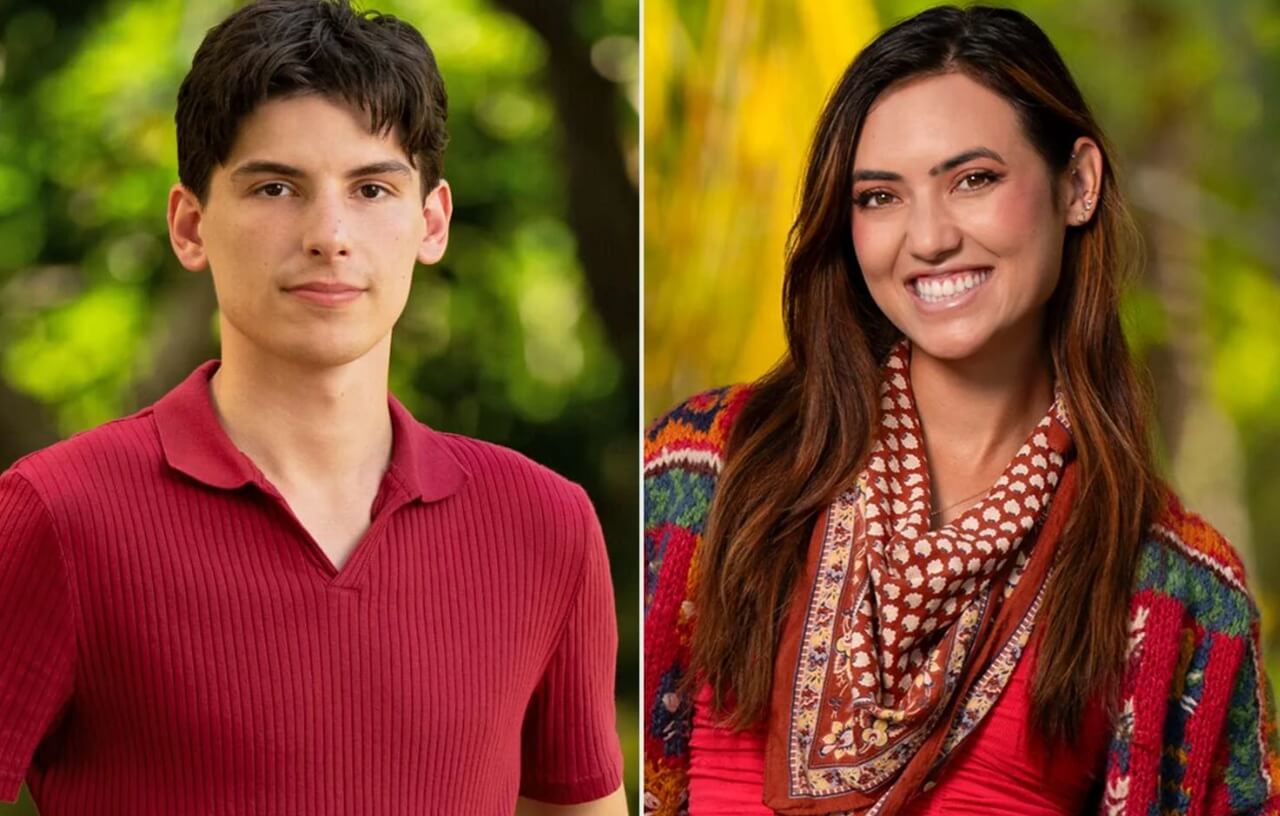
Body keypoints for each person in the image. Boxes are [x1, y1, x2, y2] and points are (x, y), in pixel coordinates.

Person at [644, 5, 1279, 815]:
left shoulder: (1170, 589)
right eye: (880, 197)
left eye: (973, 180)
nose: (929, 237)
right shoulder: (710, 470)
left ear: (1077, 183)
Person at [0, 1, 627, 813]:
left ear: (430, 222)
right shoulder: (56, 515)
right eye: (274, 187)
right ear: (190, 226)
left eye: (371, 187)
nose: (329, 233)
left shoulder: (545, 524)